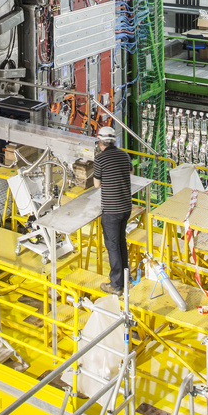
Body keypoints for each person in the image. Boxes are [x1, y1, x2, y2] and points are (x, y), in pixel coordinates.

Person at [93, 125, 133, 294]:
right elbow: (130, 171)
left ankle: (116, 285)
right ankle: (125, 278)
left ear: (101, 143)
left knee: (113, 245)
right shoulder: (124, 155)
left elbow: (96, 185)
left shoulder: (100, 160)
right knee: (121, 242)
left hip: (112, 210)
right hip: (126, 207)